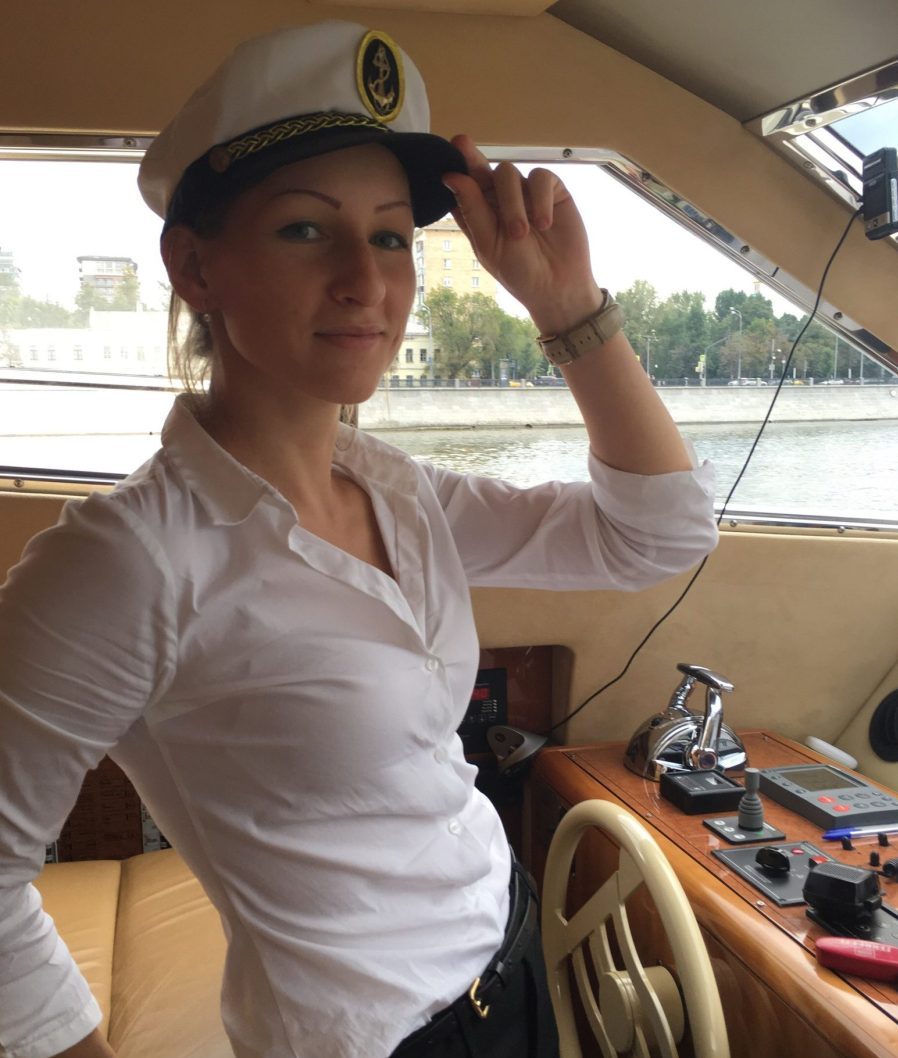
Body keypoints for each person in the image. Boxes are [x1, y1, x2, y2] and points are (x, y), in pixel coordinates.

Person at [0, 20, 718, 1058]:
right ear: (194, 266)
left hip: (515, 959)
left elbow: (656, 535)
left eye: (390, 237)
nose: (366, 280)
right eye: (305, 229)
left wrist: (567, 307)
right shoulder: (129, 558)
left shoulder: (400, 493)